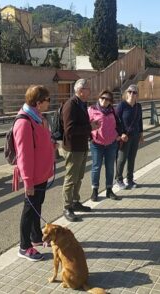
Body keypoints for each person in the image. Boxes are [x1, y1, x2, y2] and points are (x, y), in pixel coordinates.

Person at [13, 85, 55, 261]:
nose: (49, 103)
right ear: (38, 103)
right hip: (33, 176)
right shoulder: (24, 122)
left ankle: (36, 237)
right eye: (47, 100)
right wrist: (28, 181)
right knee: (29, 211)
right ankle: (24, 246)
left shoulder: (38, 118)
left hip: (42, 174)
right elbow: (24, 156)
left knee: (37, 207)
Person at [62, 79, 96, 222]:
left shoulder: (82, 104)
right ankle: (67, 207)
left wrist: (90, 130)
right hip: (72, 148)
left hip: (81, 146)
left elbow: (81, 125)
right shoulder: (71, 105)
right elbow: (69, 130)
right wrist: (90, 128)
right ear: (80, 90)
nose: (90, 91)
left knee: (79, 177)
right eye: (88, 88)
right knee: (71, 178)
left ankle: (75, 202)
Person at [88, 90, 123, 201]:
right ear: (99, 98)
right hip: (96, 144)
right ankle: (95, 190)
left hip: (111, 144)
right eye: (102, 98)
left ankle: (109, 190)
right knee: (96, 167)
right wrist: (91, 137)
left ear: (110, 101)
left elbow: (118, 124)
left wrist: (118, 135)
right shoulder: (91, 110)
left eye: (107, 99)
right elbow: (86, 125)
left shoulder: (113, 111)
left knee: (110, 168)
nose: (104, 100)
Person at [115, 84, 144, 190]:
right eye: (130, 91)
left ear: (137, 95)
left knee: (132, 159)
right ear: (126, 93)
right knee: (122, 159)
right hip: (124, 137)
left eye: (134, 92)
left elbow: (140, 121)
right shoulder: (122, 105)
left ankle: (130, 180)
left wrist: (141, 134)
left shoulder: (138, 106)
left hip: (135, 136)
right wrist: (121, 133)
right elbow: (116, 121)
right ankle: (118, 179)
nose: (132, 94)